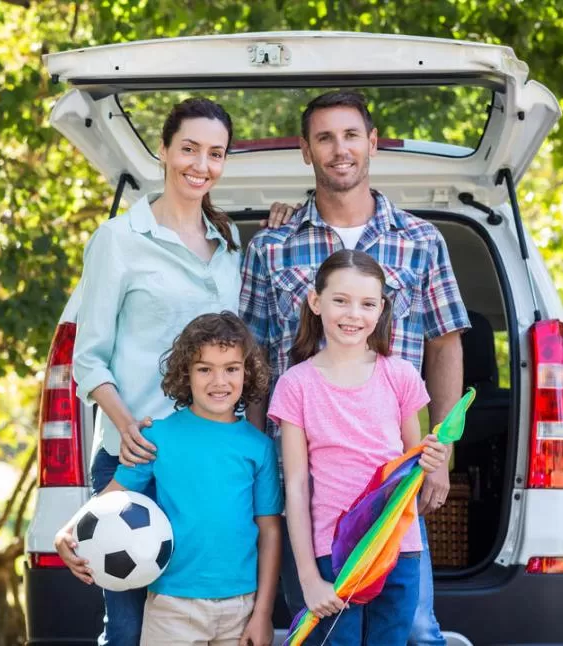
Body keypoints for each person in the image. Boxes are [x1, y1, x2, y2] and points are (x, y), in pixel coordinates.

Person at [240, 90, 470, 645]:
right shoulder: (270, 246)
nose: (338, 149)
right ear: (305, 150)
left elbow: (445, 344)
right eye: (324, 138)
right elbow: (249, 360)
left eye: (350, 136)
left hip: (391, 471)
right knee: (324, 621)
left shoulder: (421, 241)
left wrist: (439, 455)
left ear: (371, 143)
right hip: (300, 465)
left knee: (412, 628)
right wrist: (247, 461)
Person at [69, 97, 290, 645]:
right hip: (138, 453)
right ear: (164, 151)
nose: (201, 164)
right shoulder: (118, 240)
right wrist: (123, 425)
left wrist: (279, 231)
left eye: (216, 153)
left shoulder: (230, 246)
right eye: (189, 148)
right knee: (127, 628)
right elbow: (87, 357)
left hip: (212, 458)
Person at [56, 312, 283, 646]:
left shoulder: (259, 447)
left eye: (231, 369)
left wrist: (263, 613)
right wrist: (68, 528)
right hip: (171, 607)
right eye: (205, 369)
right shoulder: (158, 437)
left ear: (247, 373)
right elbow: (115, 496)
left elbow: (270, 530)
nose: (219, 381)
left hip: (241, 608)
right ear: (185, 374)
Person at [269, 249, 447, 644]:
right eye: (340, 301)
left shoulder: (400, 376)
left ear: (381, 308)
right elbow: (296, 487)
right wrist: (310, 581)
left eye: (367, 304)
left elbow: (415, 463)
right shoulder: (295, 385)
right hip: (333, 551)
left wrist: (435, 457)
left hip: (398, 547)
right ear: (316, 303)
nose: (354, 315)